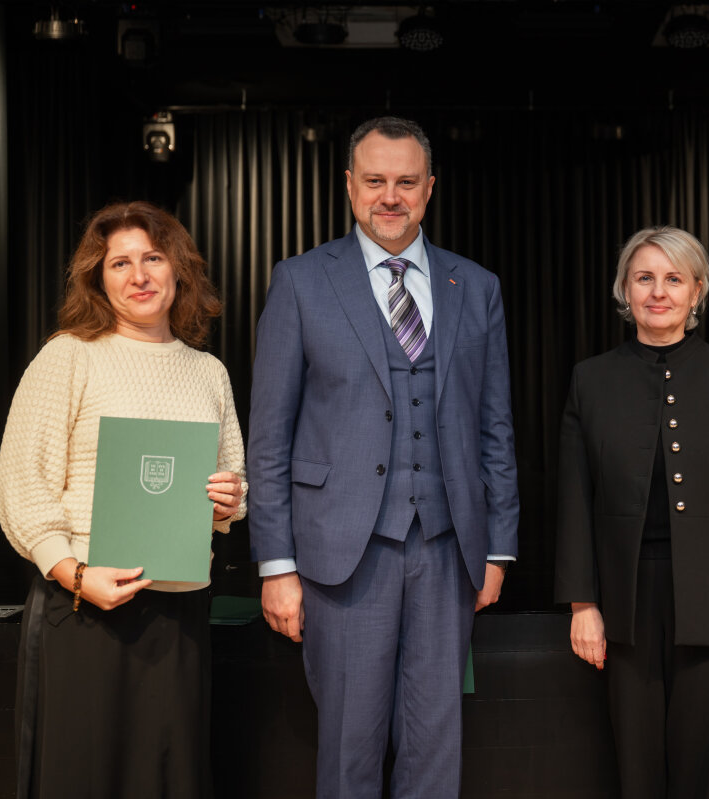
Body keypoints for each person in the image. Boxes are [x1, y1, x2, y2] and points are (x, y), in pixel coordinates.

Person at [248, 116, 519, 799]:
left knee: (435, 749)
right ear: (349, 185)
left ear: (429, 188)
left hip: (448, 549)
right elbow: (269, 436)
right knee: (350, 750)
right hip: (341, 553)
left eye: (405, 182)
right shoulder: (301, 281)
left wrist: (498, 547)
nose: (390, 197)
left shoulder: (475, 286)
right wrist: (276, 564)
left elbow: (495, 428)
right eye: (374, 181)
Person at [0, 200, 247, 799]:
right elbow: (21, 483)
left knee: (169, 780)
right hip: (84, 607)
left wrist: (227, 501)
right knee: (82, 779)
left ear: (178, 269)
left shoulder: (208, 372)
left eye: (153, 258)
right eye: (119, 263)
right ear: (97, 278)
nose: (139, 276)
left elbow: (232, 485)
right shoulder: (68, 355)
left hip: (179, 614)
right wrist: (75, 574)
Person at [554, 226, 709, 798]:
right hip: (624, 606)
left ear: (697, 290)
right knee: (636, 772)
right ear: (624, 290)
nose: (659, 292)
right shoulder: (591, 379)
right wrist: (583, 603)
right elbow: (575, 501)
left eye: (674, 279)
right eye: (644, 278)